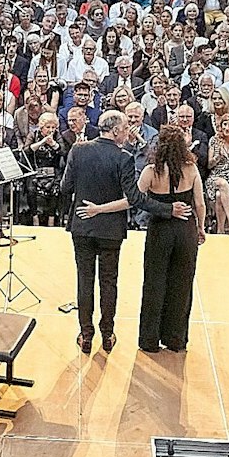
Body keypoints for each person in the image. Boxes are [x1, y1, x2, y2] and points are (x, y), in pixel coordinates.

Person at [60, 110, 170, 354]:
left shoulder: (78, 150)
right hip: (110, 231)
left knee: (84, 280)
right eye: (125, 127)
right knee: (109, 282)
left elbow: (65, 187)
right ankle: (107, 334)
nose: (127, 132)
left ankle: (85, 334)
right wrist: (167, 209)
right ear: (117, 130)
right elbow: (135, 198)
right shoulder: (124, 157)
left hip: (82, 225)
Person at [136, 123, 206, 353]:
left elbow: (137, 199)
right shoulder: (192, 169)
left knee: (154, 283)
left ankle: (149, 340)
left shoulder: (151, 171)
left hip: (160, 229)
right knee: (182, 284)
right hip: (186, 229)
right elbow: (200, 204)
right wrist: (202, 228)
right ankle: (176, 339)